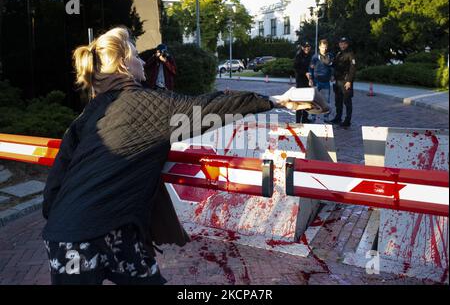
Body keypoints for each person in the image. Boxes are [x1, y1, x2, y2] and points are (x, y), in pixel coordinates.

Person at [41, 26, 315, 285]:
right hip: (97, 232)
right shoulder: (147, 103)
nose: (142, 61)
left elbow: (57, 179)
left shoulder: (88, 114)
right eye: (137, 55)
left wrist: (59, 220)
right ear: (125, 64)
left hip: (74, 236)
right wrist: (275, 100)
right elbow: (207, 108)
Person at [325, 37, 356, 128]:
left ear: (347, 44)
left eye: (344, 43)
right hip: (338, 81)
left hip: (346, 81)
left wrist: (349, 81)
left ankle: (347, 120)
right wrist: (332, 75)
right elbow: (334, 66)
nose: (342, 45)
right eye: (341, 43)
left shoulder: (350, 54)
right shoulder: (338, 54)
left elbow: (353, 69)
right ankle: (338, 118)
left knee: (347, 101)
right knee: (338, 101)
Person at [310, 39, 334, 120]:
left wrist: (332, 75)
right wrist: (311, 79)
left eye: (326, 47)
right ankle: (313, 116)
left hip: (326, 82)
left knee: (326, 101)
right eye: (323, 47)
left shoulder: (330, 55)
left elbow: (332, 67)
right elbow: (311, 69)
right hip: (317, 81)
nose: (324, 49)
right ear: (319, 47)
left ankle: (326, 117)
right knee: (314, 100)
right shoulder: (315, 57)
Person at [293, 41, 314, 123]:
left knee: (307, 101)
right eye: (305, 47)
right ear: (302, 47)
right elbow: (296, 68)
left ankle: (305, 118)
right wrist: (305, 73)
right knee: (299, 101)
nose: (306, 48)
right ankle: (298, 120)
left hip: (308, 81)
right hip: (301, 81)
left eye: (308, 46)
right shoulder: (298, 56)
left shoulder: (311, 56)